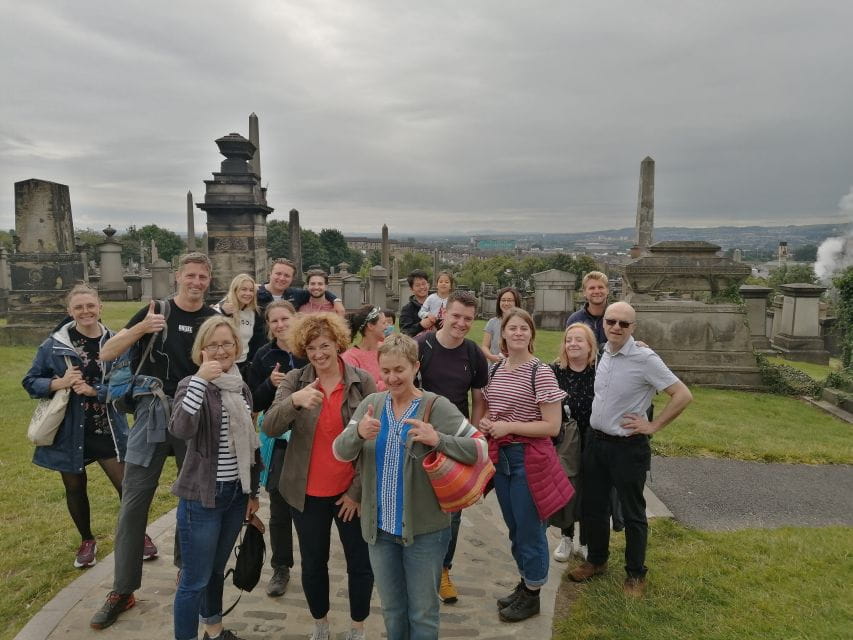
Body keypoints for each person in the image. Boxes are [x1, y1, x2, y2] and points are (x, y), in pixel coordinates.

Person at [90, 252, 218, 630]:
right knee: (133, 503)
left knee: (191, 501)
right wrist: (142, 328)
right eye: (190, 275)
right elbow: (107, 352)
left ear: (209, 280)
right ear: (178, 276)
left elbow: (228, 363)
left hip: (194, 414)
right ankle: (123, 589)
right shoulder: (156, 310)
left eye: (202, 277)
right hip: (151, 413)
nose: (196, 282)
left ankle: (186, 573)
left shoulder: (213, 320)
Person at [333, 333, 486, 640]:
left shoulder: (436, 406)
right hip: (379, 531)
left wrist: (438, 439)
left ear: (415, 367)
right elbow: (340, 451)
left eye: (399, 370)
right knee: (392, 609)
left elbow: (480, 448)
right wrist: (358, 433)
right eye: (386, 371)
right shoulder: (371, 405)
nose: (392, 378)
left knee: (423, 612)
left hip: (425, 532)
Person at [263, 313, 376, 640]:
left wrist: (356, 491)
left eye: (324, 345)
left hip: (349, 493)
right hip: (306, 493)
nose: (318, 353)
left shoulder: (362, 382)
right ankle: (321, 625)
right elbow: (270, 425)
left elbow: (373, 443)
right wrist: (294, 402)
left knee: (360, 564)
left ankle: (357, 629)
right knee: (313, 564)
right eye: (311, 348)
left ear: (338, 343)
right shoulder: (295, 380)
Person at [569, 301, 692, 597]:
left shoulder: (645, 358)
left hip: (627, 448)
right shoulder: (603, 352)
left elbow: (682, 394)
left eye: (624, 323)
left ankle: (636, 574)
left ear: (633, 327)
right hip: (596, 443)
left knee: (633, 512)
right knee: (594, 507)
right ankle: (597, 560)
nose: (616, 327)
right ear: (604, 323)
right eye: (611, 321)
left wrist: (653, 425)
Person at [23, 285, 130, 569]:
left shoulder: (115, 342)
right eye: (79, 307)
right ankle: (87, 541)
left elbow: (126, 385)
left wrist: (97, 391)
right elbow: (30, 381)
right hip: (69, 430)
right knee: (74, 487)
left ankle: (137, 536)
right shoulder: (54, 345)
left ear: (100, 307)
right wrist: (59, 382)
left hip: (107, 427)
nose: (86, 311)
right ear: (70, 311)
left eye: (90, 306)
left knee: (127, 486)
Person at [170, 315, 262, 640]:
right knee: (194, 579)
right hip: (203, 498)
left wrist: (253, 493)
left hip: (236, 495)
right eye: (213, 345)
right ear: (202, 350)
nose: (221, 351)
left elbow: (252, 443)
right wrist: (199, 380)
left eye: (227, 344)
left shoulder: (241, 387)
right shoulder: (191, 385)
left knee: (215, 571)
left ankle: (214, 629)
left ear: (236, 346)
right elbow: (181, 428)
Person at [478, 308, 572, 623]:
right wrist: (488, 421)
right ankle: (526, 582)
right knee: (516, 528)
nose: (518, 333)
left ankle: (533, 595)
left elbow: (552, 426)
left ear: (531, 334)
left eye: (524, 328)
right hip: (502, 459)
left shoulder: (539, 372)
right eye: (512, 328)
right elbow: (493, 410)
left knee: (531, 530)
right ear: (502, 334)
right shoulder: (496, 369)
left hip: (529, 459)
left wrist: (509, 427)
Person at [415, 290, 488, 603]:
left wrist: (473, 435)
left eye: (468, 319)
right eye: (456, 316)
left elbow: (479, 398)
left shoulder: (473, 353)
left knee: (452, 511)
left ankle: (444, 569)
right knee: (416, 502)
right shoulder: (422, 345)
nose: (461, 323)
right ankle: (416, 567)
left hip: (454, 441)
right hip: (419, 437)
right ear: (443, 313)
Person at [246, 300, 306, 597]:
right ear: (268, 326)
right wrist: (269, 384)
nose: (280, 325)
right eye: (274, 321)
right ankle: (281, 566)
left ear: (295, 318)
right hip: (278, 439)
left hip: (310, 437)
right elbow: (254, 401)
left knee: (310, 508)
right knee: (280, 508)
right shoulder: (264, 355)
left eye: (285, 319)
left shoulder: (309, 348)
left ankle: (314, 564)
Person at [549, 322, 598, 562]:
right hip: (564, 439)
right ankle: (566, 537)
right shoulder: (554, 370)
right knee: (567, 487)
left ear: (590, 346)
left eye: (579, 340)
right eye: (569, 340)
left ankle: (586, 541)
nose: (573, 344)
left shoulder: (600, 370)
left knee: (589, 489)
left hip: (592, 437)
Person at [213, 273, 266, 379]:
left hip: (243, 364)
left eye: (251, 290)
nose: (248, 293)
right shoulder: (222, 307)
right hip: (222, 364)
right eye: (244, 289)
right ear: (235, 290)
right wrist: (222, 313)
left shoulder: (254, 312)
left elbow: (257, 340)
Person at [257, 258, 344, 314]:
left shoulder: (296, 294)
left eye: (287, 275)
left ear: (292, 279)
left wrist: (336, 301)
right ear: (270, 274)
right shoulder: (255, 293)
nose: (282, 278)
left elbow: (316, 291)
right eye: (278, 274)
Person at [342, 305, 388, 391]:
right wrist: (388, 385)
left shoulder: (388, 349)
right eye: (383, 323)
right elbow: (356, 389)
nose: (387, 327)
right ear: (370, 326)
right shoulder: (350, 358)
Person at [565, 271, 609, 349]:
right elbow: (569, 348)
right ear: (584, 292)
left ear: (607, 290)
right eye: (592, 288)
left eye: (600, 287)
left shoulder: (618, 317)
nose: (597, 291)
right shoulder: (575, 319)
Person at [481, 287, 521, 363]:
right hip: (495, 366)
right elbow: (484, 346)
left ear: (516, 302)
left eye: (509, 300)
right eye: (503, 300)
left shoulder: (522, 323)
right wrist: (492, 357)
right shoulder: (492, 322)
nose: (506, 303)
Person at [399, 269, 431, 337]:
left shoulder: (437, 302)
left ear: (428, 285)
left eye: (423, 284)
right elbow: (404, 332)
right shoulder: (407, 309)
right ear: (411, 289)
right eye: (417, 285)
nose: (422, 287)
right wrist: (421, 325)